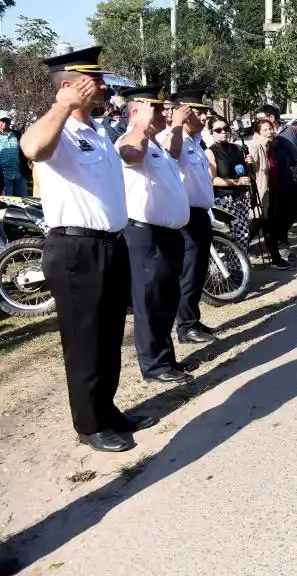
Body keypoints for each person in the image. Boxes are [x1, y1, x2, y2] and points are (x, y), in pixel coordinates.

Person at [20, 46, 155, 453]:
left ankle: (107, 410)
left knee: (109, 337)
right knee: (84, 342)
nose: (100, 85)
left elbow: (130, 157)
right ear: (67, 85)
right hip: (76, 249)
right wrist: (62, 106)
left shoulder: (97, 131)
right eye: (91, 79)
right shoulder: (56, 129)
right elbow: (32, 148)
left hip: (110, 245)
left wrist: (144, 127)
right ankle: (89, 424)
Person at [116, 85, 192, 385]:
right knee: (150, 301)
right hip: (145, 235)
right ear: (138, 110)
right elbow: (130, 156)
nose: (164, 112)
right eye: (156, 108)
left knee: (167, 298)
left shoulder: (156, 144)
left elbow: (174, 152)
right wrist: (140, 124)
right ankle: (154, 365)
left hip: (168, 235)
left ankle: (166, 357)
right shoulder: (130, 140)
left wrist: (173, 127)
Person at [159, 90, 218, 345]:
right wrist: (177, 125)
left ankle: (192, 318)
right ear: (185, 112)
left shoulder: (195, 140)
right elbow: (170, 154)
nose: (205, 116)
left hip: (201, 214)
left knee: (198, 271)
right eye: (199, 111)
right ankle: (186, 326)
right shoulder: (173, 137)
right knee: (189, 272)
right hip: (187, 217)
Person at [253, 105, 297, 258]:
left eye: (261, 118)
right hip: (273, 182)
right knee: (276, 214)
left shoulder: (290, 130)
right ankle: (280, 245)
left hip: (293, 177)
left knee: (294, 210)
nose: (258, 122)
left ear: (271, 117)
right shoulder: (259, 137)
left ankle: (281, 240)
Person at [247, 118, 292, 269]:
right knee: (257, 225)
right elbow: (250, 168)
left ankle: (275, 258)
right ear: (258, 132)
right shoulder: (255, 146)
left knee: (268, 226)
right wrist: (248, 161)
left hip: (272, 192)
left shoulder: (270, 146)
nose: (269, 132)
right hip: (260, 194)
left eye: (270, 129)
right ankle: (234, 251)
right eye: (265, 130)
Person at [207, 117, 253, 250]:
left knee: (243, 232)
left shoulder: (237, 148)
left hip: (241, 197)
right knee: (232, 234)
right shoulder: (211, 152)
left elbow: (248, 173)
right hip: (224, 199)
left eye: (226, 129)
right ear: (212, 132)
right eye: (218, 130)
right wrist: (236, 182)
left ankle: (238, 265)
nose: (223, 132)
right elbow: (213, 180)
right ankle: (231, 266)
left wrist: (250, 163)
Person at [0, 111, 27, 197]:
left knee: (23, 202)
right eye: (2, 120)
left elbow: (23, 152)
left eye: (7, 120)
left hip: (19, 174)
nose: (4, 122)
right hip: (4, 177)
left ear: (10, 121)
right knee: (7, 204)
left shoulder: (17, 134)